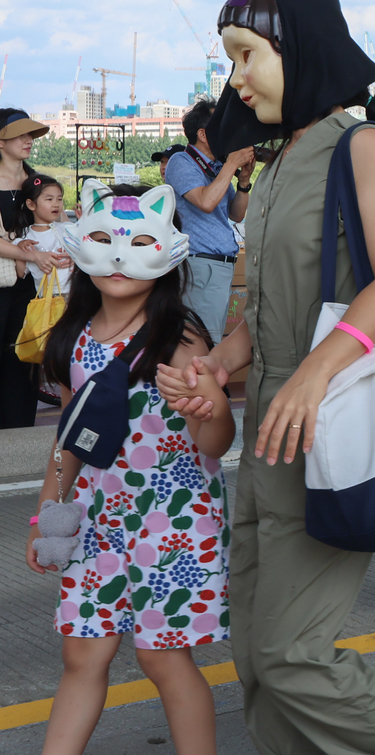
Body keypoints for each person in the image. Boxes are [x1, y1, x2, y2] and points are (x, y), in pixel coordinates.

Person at [155, 0, 375, 755]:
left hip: (327, 432)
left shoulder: (360, 145)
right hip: (266, 443)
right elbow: (256, 313)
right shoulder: (276, 161)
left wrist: (316, 373)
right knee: (255, 659)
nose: (236, 77)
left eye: (247, 54)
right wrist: (217, 366)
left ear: (299, 50)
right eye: (230, 59)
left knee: (294, 655)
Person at [26, 181, 233, 755]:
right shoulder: (72, 336)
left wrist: (205, 406)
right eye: (103, 240)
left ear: (167, 252)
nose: (119, 258)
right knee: (81, 652)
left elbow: (216, 440)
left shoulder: (181, 337)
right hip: (95, 520)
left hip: (174, 523)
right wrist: (49, 516)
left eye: (138, 242)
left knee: (162, 657)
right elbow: (68, 438)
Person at [164, 99, 255, 345]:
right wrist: (231, 165)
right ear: (203, 134)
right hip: (200, 264)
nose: (227, 134)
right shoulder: (181, 162)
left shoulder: (215, 168)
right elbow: (205, 202)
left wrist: (243, 181)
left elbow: (236, 215)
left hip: (216, 267)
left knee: (208, 338)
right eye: (222, 127)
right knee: (202, 342)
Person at [0, 108, 66, 428]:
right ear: (1, 140)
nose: (28, 140)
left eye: (31, 135)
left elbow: (56, 224)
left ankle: (19, 432)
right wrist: (26, 254)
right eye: (21, 134)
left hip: (30, 288)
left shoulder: (35, 182)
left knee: (24, 358)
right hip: (3, 283)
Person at [18, 174, 72, 295]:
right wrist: (22, 249)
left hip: (74, 296)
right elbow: (21, 272)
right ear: (31, 204)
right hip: (47, 300)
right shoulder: (26, 237)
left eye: (59, 199)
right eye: (49, 199)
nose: (56, 204)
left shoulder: (67, 228)